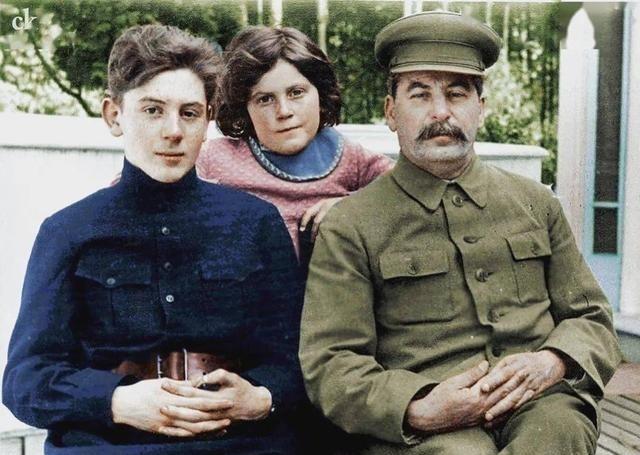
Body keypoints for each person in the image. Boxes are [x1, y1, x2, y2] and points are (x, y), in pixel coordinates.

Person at [299, 11, 622, 455]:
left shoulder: (535, 203)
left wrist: (552, 362)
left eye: (457, 93)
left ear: (481, 108)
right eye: (420, 94)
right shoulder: (352, 224)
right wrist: (416, 409)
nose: (440, 112)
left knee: (555, 435)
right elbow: (332, 363)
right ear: (391, 112)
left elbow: (592, 319)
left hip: (540, 401)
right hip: (430, 422)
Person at [3, 24, 305, 454]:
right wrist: (117, 402)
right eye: (152, 110)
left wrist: (260, 397)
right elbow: (25, 380)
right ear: (114, 116)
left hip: (239, 443)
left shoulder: (255, 223)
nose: (173, 131)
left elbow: (297, 359)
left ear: (208, 119)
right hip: (109, 446)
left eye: (189, 113)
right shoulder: (68, 231)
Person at [196, 26, 393, 270]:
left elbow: (408, 189)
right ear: (244, 108)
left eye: (296, 93)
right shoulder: (215, 158)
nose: (284, 111)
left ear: (320, 93)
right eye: (265, 99)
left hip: (326, 288)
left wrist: (353, 206)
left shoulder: (349, 157)